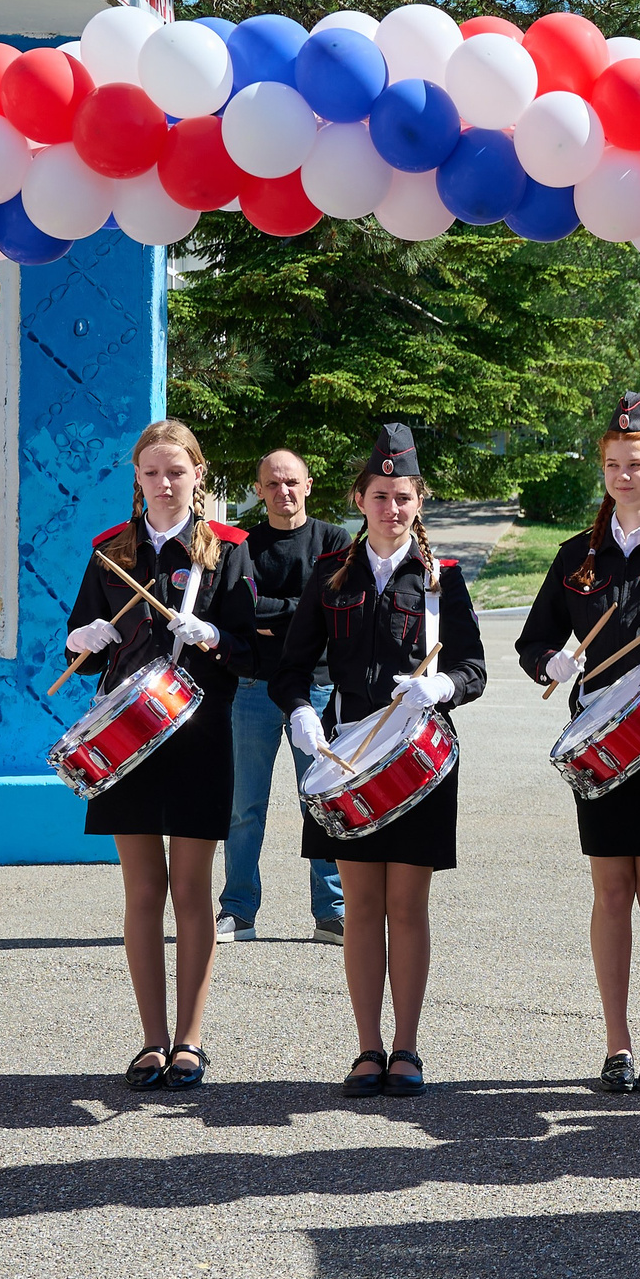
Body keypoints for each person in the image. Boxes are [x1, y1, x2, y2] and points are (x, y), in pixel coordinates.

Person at [275, 423, 485, 1100]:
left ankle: (407, 1047)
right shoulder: (330, 575)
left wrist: (443, 686)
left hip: (420, 762)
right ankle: (367, 1046)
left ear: (418, 499)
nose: (392, 508)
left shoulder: (441, 579)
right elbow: (291, 666)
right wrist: (300, 711)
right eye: (380, 496)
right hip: (348, 756)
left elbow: (474, 667)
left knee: (408, 903)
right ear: (360, 499)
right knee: (362, 906)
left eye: (403, 496)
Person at [517, 392, 640, 1095]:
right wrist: (552, 665)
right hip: (600, 742)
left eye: (636, 463)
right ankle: (617, 1042)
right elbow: (535, 639)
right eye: (612, 464)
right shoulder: (576, 557)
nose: (623, 475)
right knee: (610, 887)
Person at [62, 420, 257, 1092]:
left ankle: (190, 1039)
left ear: (198, 474)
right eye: (152, 473)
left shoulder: (227, 551)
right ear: (138, 478)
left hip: (201, 731)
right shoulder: (109, 552)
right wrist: (80, 637)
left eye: (177, 471)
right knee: (143, 888)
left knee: (192, 887)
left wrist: (216, 637)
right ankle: (150, 1039)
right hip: (126, 735)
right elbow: (78, 645)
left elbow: (255, 646)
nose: (165, 484)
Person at [218, 449, 348, 946]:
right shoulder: (245, 546)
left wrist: (286, 617)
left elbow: (335, 608)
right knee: (243, 806)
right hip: (252, 687)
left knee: (320, 800)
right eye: (272, 484)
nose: (283, 491)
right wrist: (304, 612)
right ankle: (238, 912)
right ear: (259, 489)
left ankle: (331, 912)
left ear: (308, 485)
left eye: (291, 481)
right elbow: (243, 608)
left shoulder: (334, 540)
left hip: (317, 687)